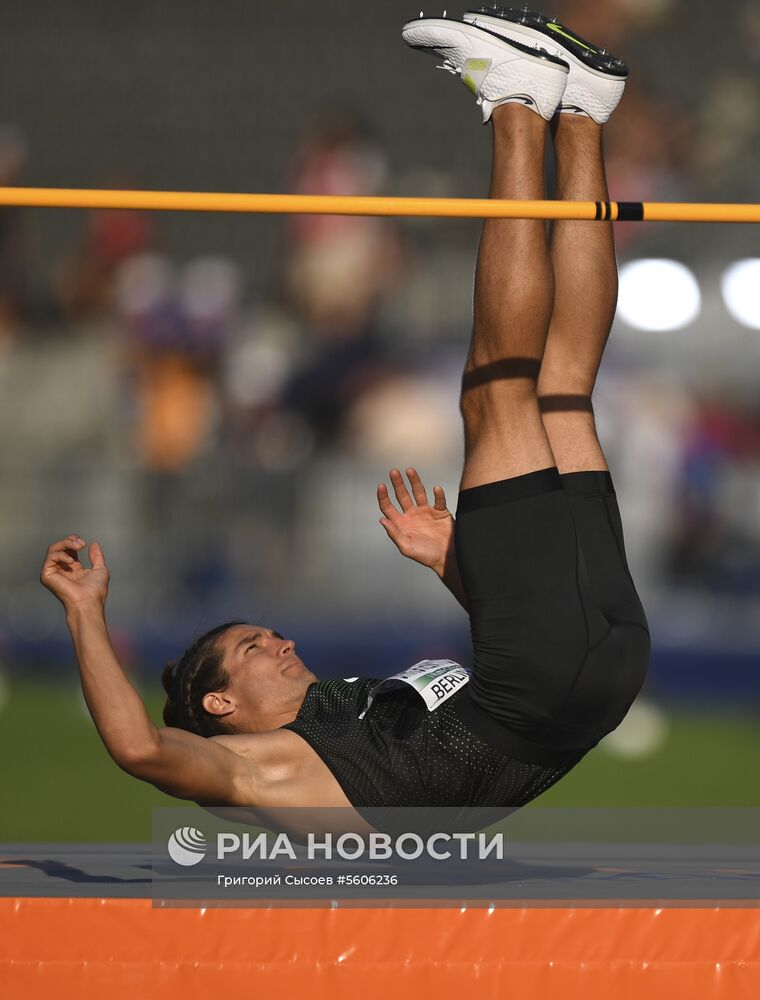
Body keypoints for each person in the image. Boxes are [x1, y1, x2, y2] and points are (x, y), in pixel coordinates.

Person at [40, 10, 649, 816]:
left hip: (595, 672)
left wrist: (456, 568)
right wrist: (86, 613)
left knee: (565, 392)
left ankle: (580, 115)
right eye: (254, 649)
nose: (282, 642)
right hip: (548, 683)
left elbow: (547, 649)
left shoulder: (339, 714)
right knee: (496, 392)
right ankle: (515, 103)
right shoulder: (262, 771)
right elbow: (139, 749)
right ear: (219, 706)